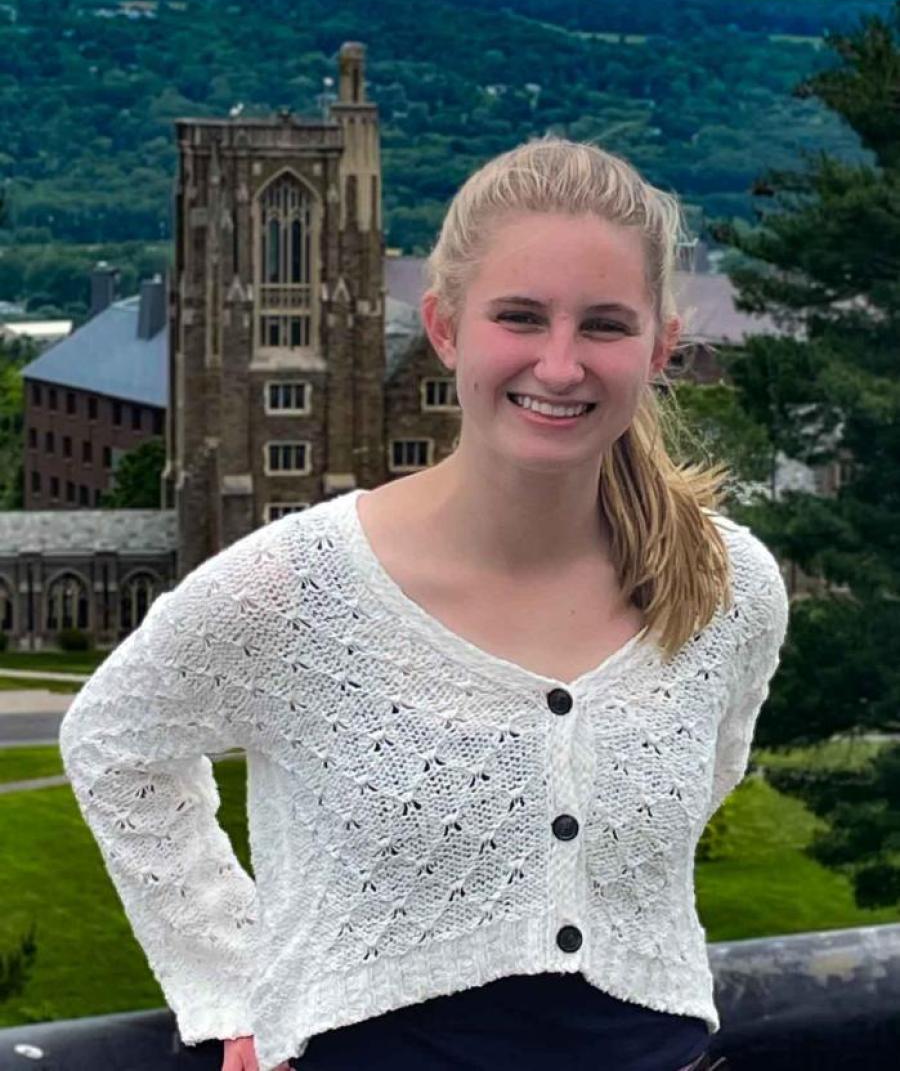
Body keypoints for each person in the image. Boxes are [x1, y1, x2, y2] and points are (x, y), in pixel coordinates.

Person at [59, 136, 787, 1071]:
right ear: (445, 328)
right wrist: (234, 982)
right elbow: (114, 744)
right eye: (520, 317)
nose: (559, 367)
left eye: (604, 325)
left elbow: (697, 780)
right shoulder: (300, 586)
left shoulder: (730, 586)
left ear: (661, 347)